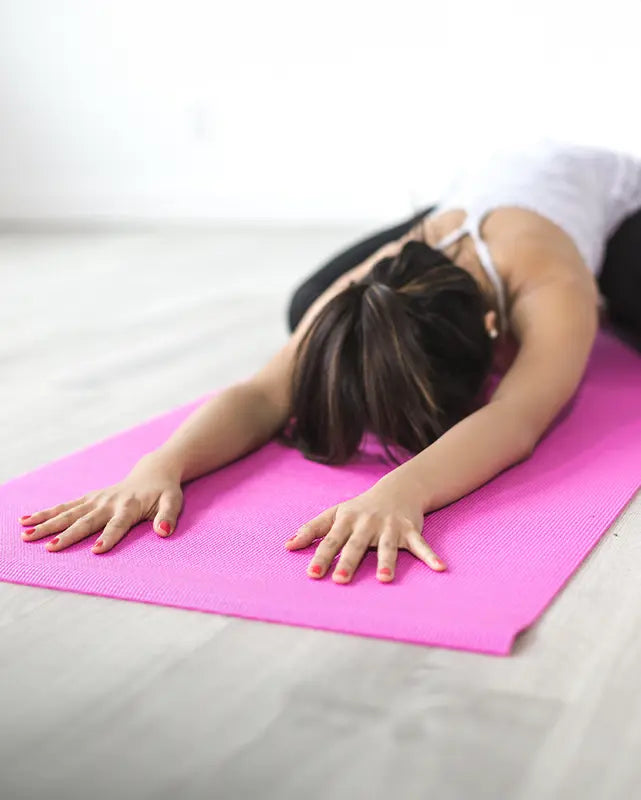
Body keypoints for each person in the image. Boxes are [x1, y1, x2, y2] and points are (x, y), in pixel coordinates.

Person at [17, 140, 641, 584]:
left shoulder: (553, 285)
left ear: (490, 330)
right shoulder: (382, 275)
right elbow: (264, 393)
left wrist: (403, 490)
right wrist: (160, 465)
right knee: (310, 314)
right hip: (471, 200)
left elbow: (518, 417)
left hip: (613, 202)